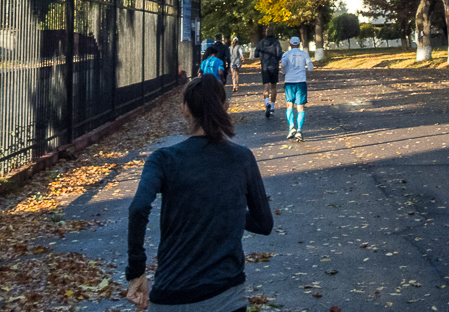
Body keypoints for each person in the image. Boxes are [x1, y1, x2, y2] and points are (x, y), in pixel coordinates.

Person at [126, 74, 273, 312]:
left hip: (170, 296)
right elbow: (264, 223)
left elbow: (139, 207)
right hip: (225, 297)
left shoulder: (163, 160)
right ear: (224, 107)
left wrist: (136, 272)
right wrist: (225, 205)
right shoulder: (242, 158)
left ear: (185, 110)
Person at [280, 35, 314, 141]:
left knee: (289, 105)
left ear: (290, 44)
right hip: (301, 81)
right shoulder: (304, 54)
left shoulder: (286, 54)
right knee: (300, 107)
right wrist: (305, 70)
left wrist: (284, 73)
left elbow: (283, 65)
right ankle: (299, 130)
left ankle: (291, 127)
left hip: (289, 82)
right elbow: (311, 67)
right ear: (299, 44)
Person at [252, 29, 283, 119]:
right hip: (274, 67)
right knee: (274, 86)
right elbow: (279, 54)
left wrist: (262, 56)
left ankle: (267, 104)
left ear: (265, 33)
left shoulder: (261, 42)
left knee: (266, 86)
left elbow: (256, 54)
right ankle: (272, 107)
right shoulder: (276, 42)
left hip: (265, 67)